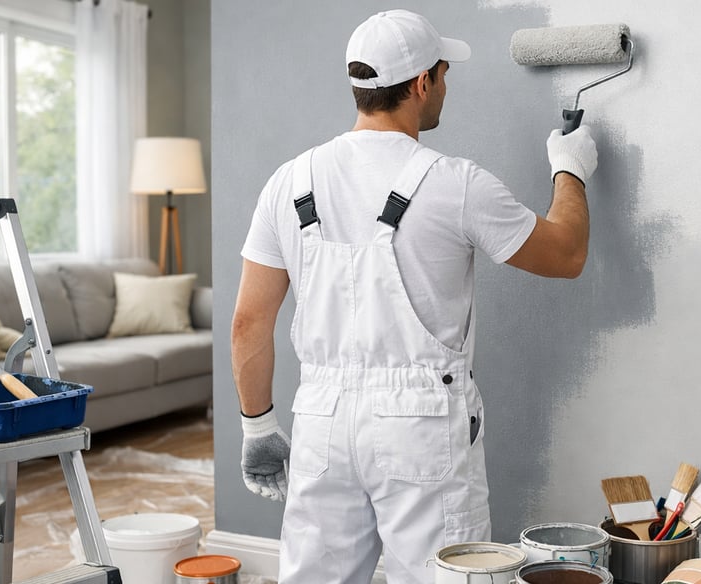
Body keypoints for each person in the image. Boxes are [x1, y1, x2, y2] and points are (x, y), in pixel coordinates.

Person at [231, 9, 598, 584]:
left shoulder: (288, 182)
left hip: (320, 420)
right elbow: (567, 254)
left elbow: (249, 323)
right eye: (444, 73)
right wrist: (569, 170)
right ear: (422, 83)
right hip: (421, 424)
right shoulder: (454, 182)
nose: (446, 85)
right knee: (441, 578)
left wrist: (256, 427)